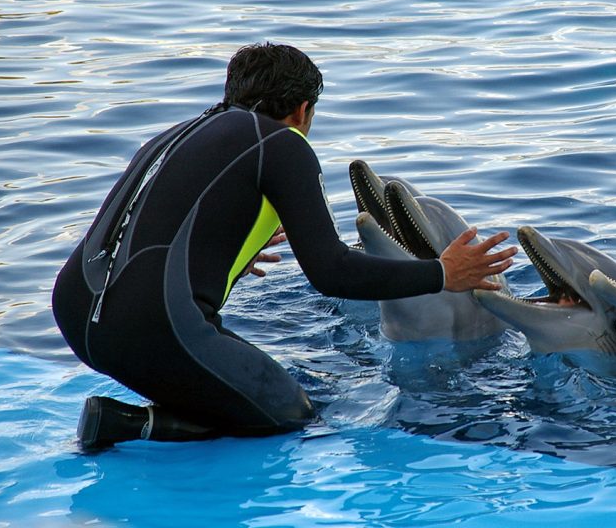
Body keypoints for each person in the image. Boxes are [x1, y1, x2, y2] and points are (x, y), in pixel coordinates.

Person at [51, 43, 516, 450]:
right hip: (151, 328)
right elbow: (330, 270)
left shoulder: (178, 133)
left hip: (75, 310)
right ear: (302, 110)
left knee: (232, 383)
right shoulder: (282, 143)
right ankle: (129, 424)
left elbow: (144, 229)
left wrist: (223, 253)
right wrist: (442, 273)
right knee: (290, 413)